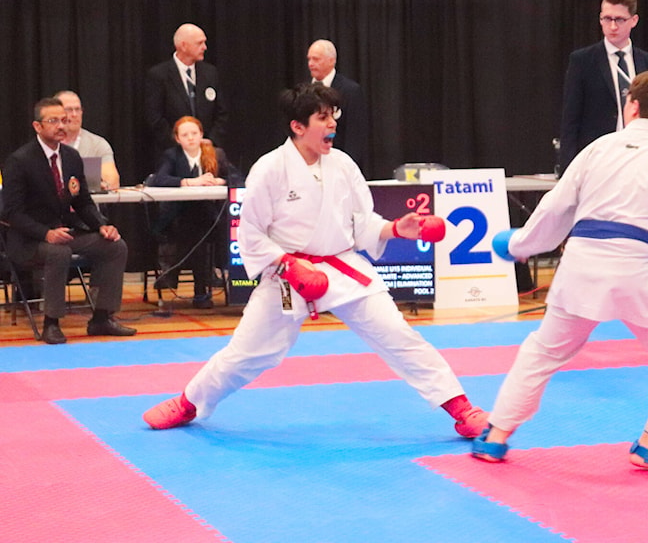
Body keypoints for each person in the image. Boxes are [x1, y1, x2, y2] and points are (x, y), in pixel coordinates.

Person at [142, 83, 488, 439]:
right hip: (287, 273)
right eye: (322, 118)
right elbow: (251, 234)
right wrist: (288, 265)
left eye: (333, 116)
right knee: (247, 354)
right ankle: (188, 403)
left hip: (341, 267)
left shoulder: (342, 164)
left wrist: (398, 228)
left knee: (398, 335)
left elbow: (363, 222)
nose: (332, 124)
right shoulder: (270, 169)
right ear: (298, 126)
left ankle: (461, 408)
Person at [473, 70, 648, 474]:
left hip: (581, 265)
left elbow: (556, 208)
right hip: (635, 270)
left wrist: (519, 246)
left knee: (542, 351)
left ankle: (496, 436)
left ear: (633, 105)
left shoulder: (598, 147)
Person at [558, 0, 648, 286]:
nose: (612, 26)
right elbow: (570, 119)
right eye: (606, 19)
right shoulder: (583, 61)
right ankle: (579, 282)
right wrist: (568, 169)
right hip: (600, 159)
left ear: (633, 21)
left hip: (643, 159)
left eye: (619, 20)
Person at [1, 97, 137, 344]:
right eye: (53, 121)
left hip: (64, 234)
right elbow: (10, 213)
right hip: (29, 241)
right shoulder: (19, 161)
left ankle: (102, 317)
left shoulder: (72, 157)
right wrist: (46, 233)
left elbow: (82, 201)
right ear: (37, 126)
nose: (61, 125)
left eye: (64, 120)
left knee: (115, 246)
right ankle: (51, 322)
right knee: (58, 252)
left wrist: (101, 225)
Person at [148, 116, 240, 309]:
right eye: (185, 135)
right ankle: (201, 290)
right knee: (196, 223)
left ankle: (196, 283)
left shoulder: (215, 153)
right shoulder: (172, 156)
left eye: (194, 133)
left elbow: (238, 178)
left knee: (206, 223)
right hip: (177, 218)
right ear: (177, 139)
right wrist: (189, 182)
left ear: (201, 135)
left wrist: (220, 181)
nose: (190, 138)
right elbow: (159, 179)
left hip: (212, 219)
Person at [146, 23, 229, 160]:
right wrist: (182, 144)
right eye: (200, 43)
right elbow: (155, 117)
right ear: (183, 46)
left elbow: (221, 113)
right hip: (172, 155)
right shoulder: (159, 75)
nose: (205, 47)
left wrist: (210, 142)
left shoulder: (210, 73)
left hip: (206, 153)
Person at [307, 39, 370, 174]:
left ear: (331, 60)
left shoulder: (350, 91)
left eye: (316, 59)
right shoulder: (303, 91)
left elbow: (355, 135)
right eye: (309, 59)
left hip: (338, 168)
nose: (311, 64)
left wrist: (345, 168)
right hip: (309, 166)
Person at [55, 90, 120, 190]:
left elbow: (113, 182)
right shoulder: (48, 143)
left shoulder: (97, 144)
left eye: (77, 109)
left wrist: (104, 185)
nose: (74, 114)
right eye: (68, 110)